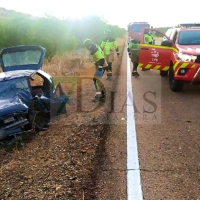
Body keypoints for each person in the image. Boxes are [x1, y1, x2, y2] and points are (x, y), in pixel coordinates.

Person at [82, 38, 107, 102]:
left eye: (86, 46)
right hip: (99, 65)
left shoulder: (94, 50)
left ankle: (99, 96)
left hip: (101, 65)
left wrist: (99, 69)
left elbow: (102, 59)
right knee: (97, 80)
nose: (86, 47)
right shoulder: (94, 46)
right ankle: (102, 94)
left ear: (89, 44)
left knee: (96, 79)